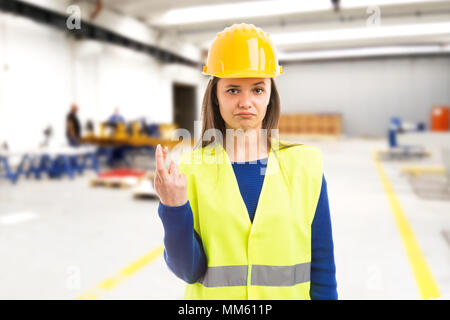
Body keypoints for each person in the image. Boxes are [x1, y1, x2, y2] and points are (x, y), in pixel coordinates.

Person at [155, 23, 337, 300]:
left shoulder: (305, 167)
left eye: (257, 89)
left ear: (270, 97)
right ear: (215, 97)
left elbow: (322, 268)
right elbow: (189, 270)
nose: (245, 102)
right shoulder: (190, 170)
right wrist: (173, 208)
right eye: (232, 90)